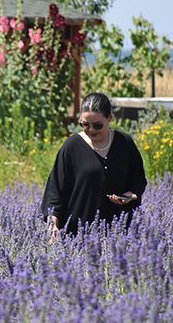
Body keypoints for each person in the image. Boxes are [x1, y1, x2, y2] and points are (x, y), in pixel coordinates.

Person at [41, 92, 147, 239]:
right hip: (77, 238)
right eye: (85, 125)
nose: (91, 130)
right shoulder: (72, 147)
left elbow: (138, 180)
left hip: (119, 236)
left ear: (109, 119)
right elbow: (55, 192)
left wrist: (130, 195)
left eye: (97, 125)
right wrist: (53, 227)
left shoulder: (125, 144)